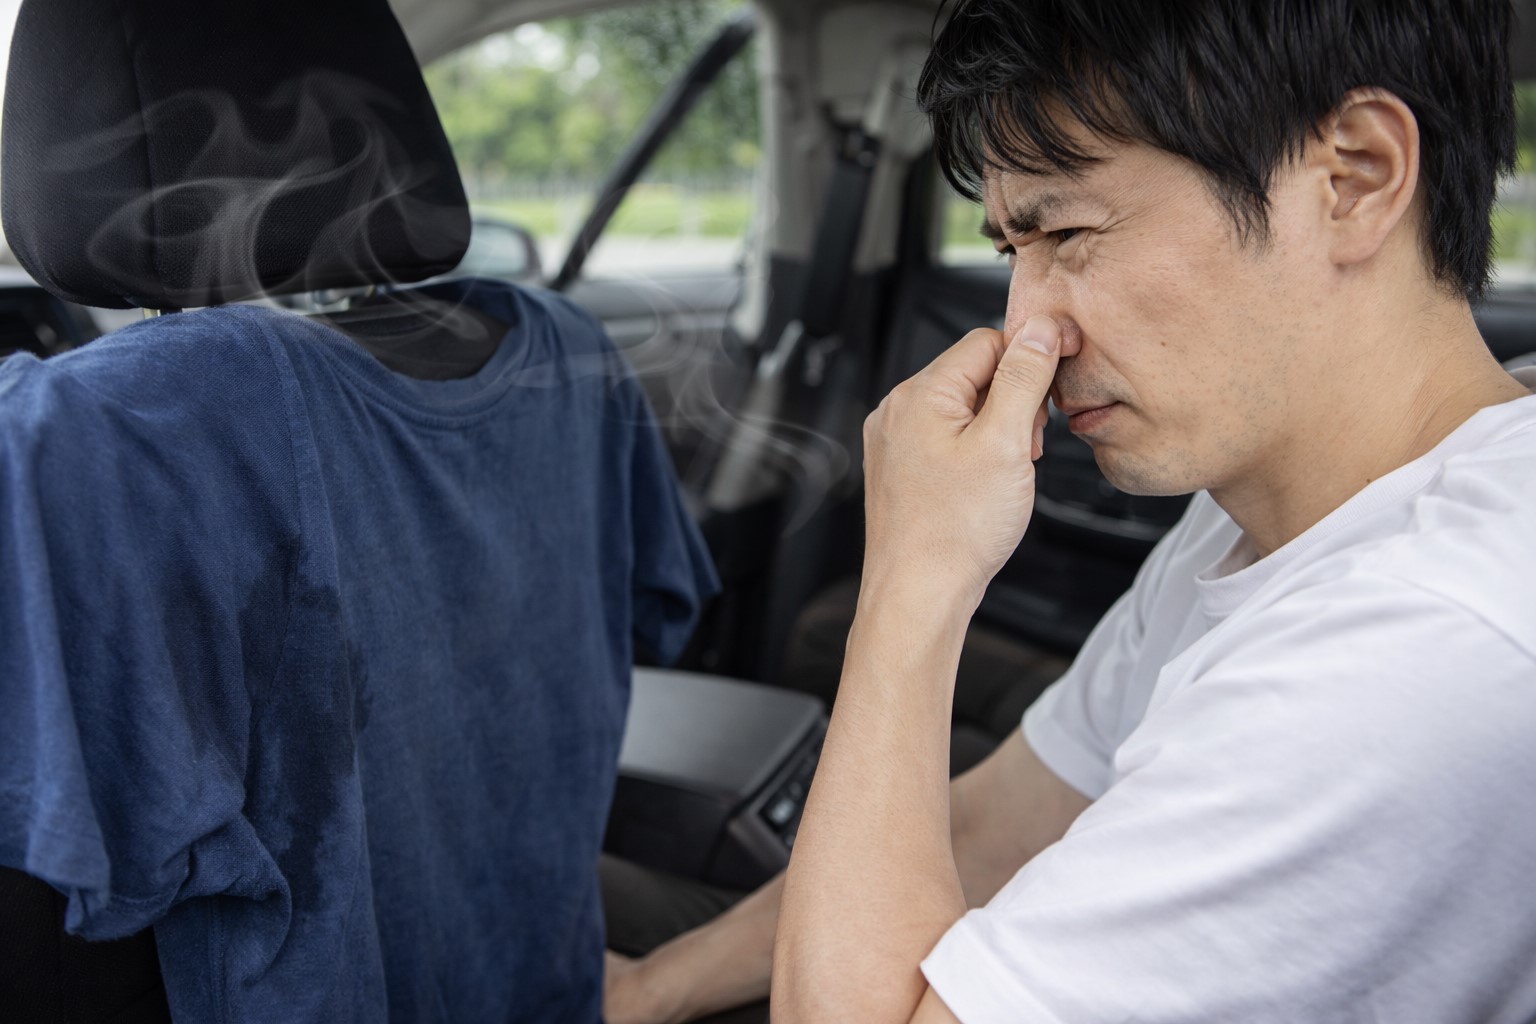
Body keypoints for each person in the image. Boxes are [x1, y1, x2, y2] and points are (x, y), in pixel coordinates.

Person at [603, 0, 1536, 1021]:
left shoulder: (1412, 644)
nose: (1026, 328)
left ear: (1352, 178)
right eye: (1012, 251)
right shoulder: (1267, 516)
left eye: (1069, 233)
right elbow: (1006, 819)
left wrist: (913, 583)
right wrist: (651, 988)